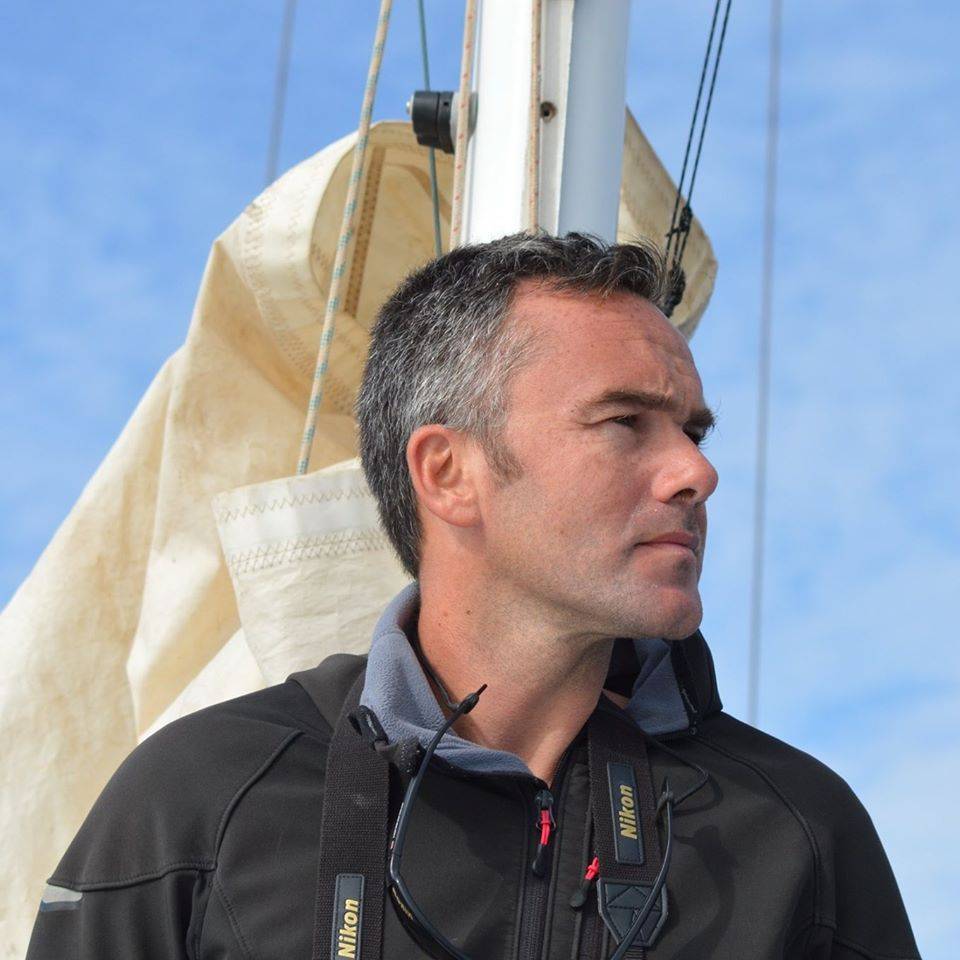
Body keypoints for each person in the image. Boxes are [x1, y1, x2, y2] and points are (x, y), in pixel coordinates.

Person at [25, 232, 920, 959]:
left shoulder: (799, 833)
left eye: (690, 430)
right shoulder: (200, 803)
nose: (697, 470)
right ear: (448, 474)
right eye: (625, 422)